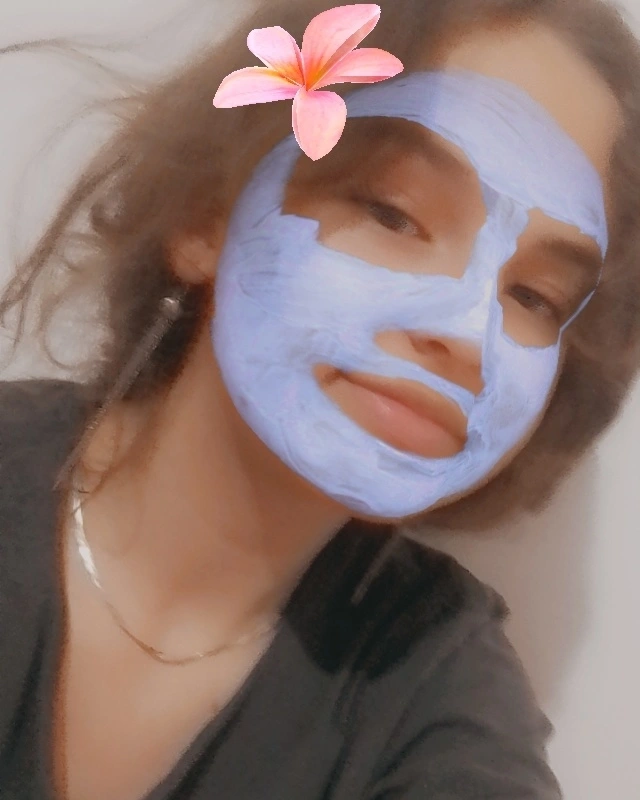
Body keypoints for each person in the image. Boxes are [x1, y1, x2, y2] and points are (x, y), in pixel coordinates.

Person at [1, 0, 640, 798]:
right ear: (207, 214)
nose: (467, 335)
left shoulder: (435, 685)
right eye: (393, 213)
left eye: (535, 297)